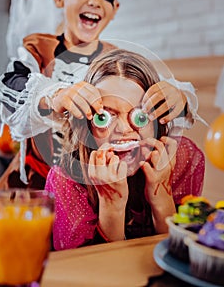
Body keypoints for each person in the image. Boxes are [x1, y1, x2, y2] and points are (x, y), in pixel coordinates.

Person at [0, 0, 199, 189]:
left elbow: (154, 104)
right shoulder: (37, 49)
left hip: (97, 198)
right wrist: (54, 96)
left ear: (114, 8)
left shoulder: (119, 62)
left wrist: (179, 98)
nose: (94, 1)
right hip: (36, 191)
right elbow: (10, 87)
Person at [44, 49, 205, 250]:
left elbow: (180, 256)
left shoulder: (183, 157)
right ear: (87, 128)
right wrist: (112, 206)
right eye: (104, 118)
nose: (123, 130)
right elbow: (88, 272)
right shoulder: (65, 179)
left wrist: (162, 195)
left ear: (158, 122)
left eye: (140, 117)